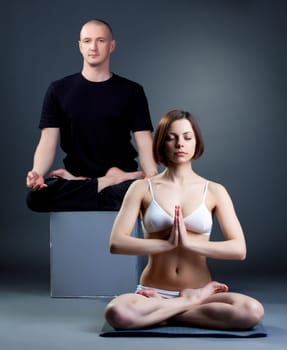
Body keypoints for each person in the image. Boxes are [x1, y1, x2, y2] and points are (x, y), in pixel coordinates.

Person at [104, 110, 264, 330]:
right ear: (161, 142)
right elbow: (116, 243)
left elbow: (239, 249)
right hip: (152, 292)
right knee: (117, 313)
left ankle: (167, 311)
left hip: (200, 290)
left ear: (196, 142)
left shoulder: (215, 191)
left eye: (187, 137)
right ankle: (186, 306)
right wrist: (166, 244)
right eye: (171, 137)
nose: (180, 144)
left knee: (251, 311)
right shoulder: (141, 188)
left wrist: (190, 243)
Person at [26, 19, 157, 211]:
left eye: (101, 40)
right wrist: (37, 173)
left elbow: (144, 141)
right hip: (77, 175)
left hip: (117, 178)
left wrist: (152, 175)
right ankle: (105, 183)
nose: (93, 47)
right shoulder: (58, 90)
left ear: (112, 46)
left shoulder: (132, 91)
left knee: (144, 194)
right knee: (35, 198)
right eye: (87, 41)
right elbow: (47, 142)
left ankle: (107, 183)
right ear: (80, 46)